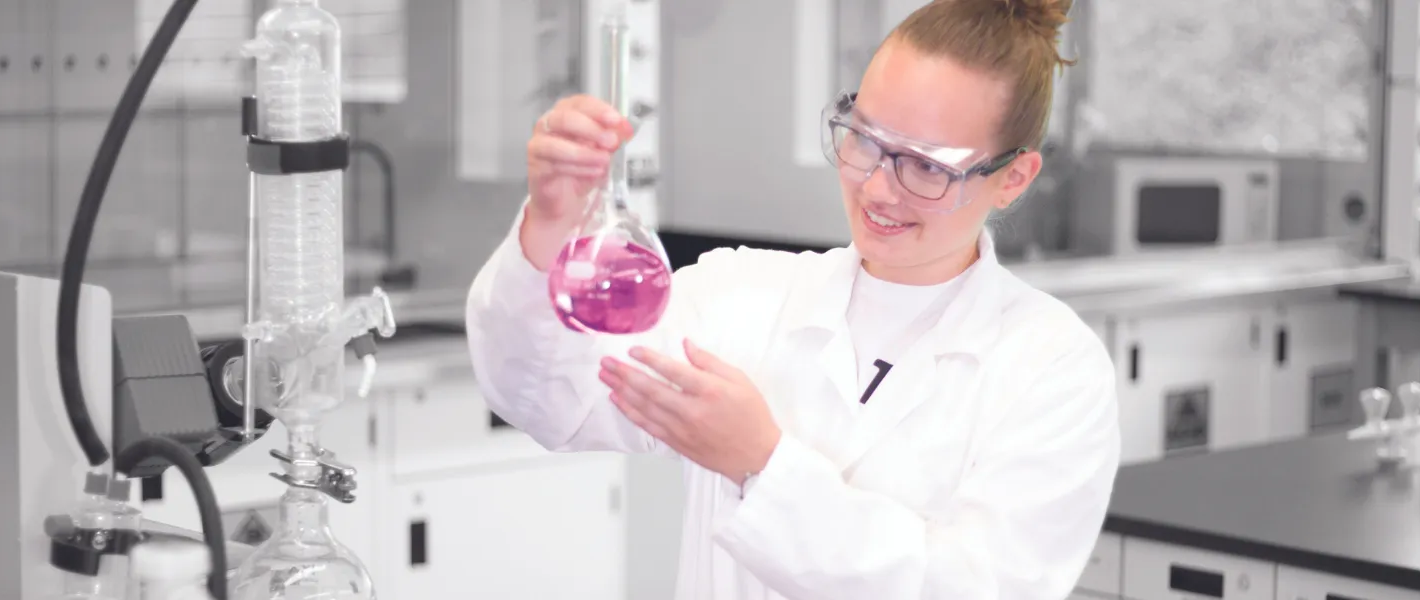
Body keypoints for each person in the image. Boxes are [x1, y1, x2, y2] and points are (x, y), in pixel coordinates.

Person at [464, 0, 1119, 597]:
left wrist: (763, 464)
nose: (878, 190)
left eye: (926, 165)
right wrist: (551, 225)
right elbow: (552, 402)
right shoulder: (740, 294)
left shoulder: (1052, 368)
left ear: (1012, 178)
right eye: (865, 138)